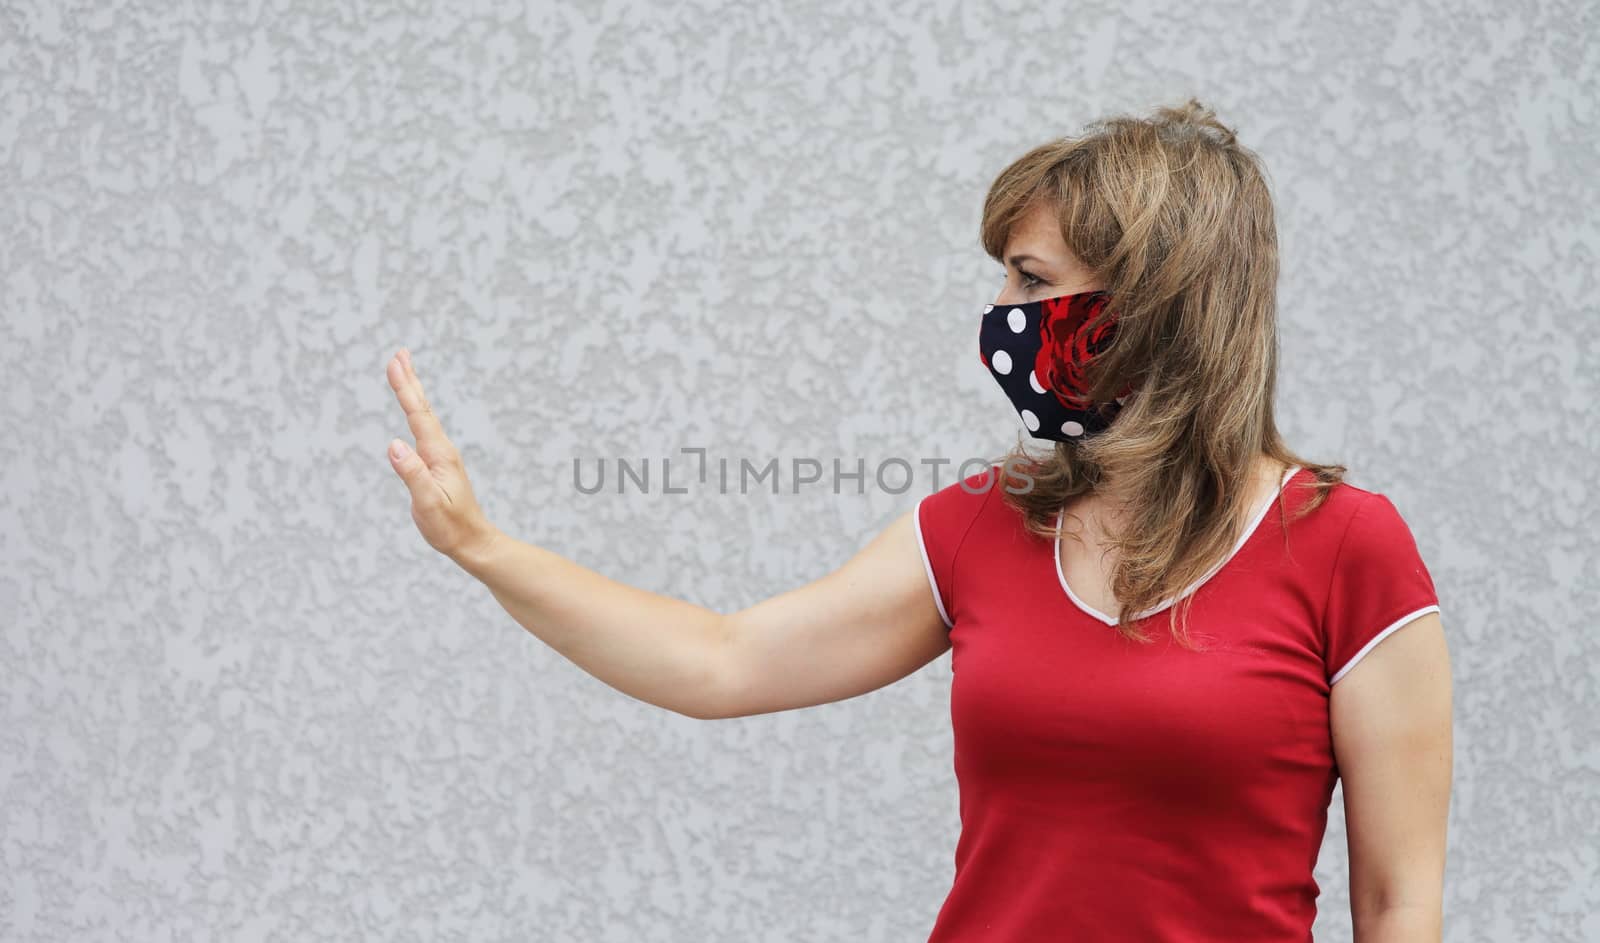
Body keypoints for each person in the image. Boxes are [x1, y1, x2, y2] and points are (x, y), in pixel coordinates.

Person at [383, 98, 1452, 942]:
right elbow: (720, 660)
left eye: (1031, 282)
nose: (1002, 316)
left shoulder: (1342, 545)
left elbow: (1398, 905)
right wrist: (484, 546)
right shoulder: (977, 529)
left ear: (1152, 301)